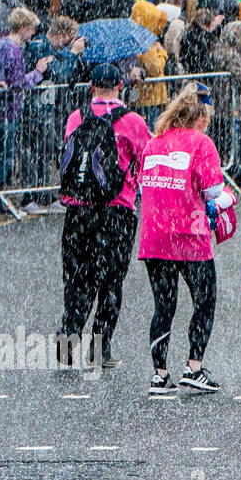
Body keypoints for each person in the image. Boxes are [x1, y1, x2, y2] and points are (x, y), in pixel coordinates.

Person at [138, 83, 233, 395]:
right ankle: (194, 366)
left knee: (163, 307)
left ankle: (159, 374)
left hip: (154, 236)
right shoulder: (201, 143)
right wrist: (227, 200)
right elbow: (214, 193)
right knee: (204, 300)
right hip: (189, 235)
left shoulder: (153, 144)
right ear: (201, 119)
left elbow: (144, 188)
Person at [56, 64, 151, 369]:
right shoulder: (133, 121)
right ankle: (101, 348)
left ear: (92, 86)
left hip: (78, 209)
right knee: (111, 280)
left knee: (76, 278)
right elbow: (146, 161)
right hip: (116, 210)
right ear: (120, 85)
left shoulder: (76, 116)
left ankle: (67, 343)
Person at [0, 7, 50, 187]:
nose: (33, 32)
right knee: (5, 156)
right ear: (22, 27)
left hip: (6, 110)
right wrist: (37, 73)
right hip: (7, 112)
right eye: (31, 28)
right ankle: (2, 197)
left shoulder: (3, 44)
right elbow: (17, 84)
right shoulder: (12, 49)